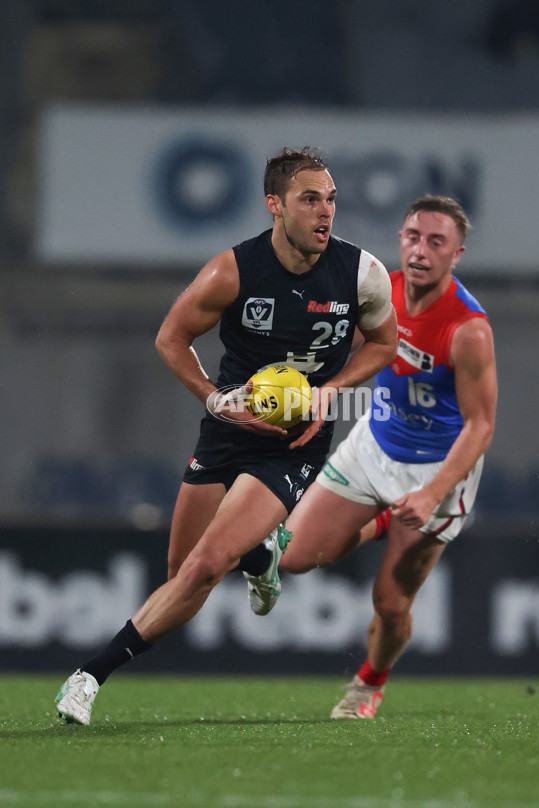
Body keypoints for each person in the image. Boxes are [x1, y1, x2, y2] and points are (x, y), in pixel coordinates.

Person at [54, 146, 397, 725]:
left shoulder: (362, 274)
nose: (325, 212)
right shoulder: (231, 271)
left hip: (294, 443)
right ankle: (260, 556)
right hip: (229, 428)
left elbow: (384, 343)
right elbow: (170, 338)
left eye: (331, 199)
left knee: (206, 565)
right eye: (309, 199)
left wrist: (332, 388)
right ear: (275, 205)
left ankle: (89, 676)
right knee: (181, 575)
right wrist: (216, 397)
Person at [244, 194, 497, 719]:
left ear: (457, 254)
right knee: (292, 557)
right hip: (373, 444)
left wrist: (430, 494)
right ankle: (380, 520)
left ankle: (367, 686)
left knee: (390, 602)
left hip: (435, 471)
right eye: (412, 236)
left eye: (436, 241)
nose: (420, 250)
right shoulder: (382, 291)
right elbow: (344, 344)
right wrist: (312, 388)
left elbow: (480, 425)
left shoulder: (468, 329)